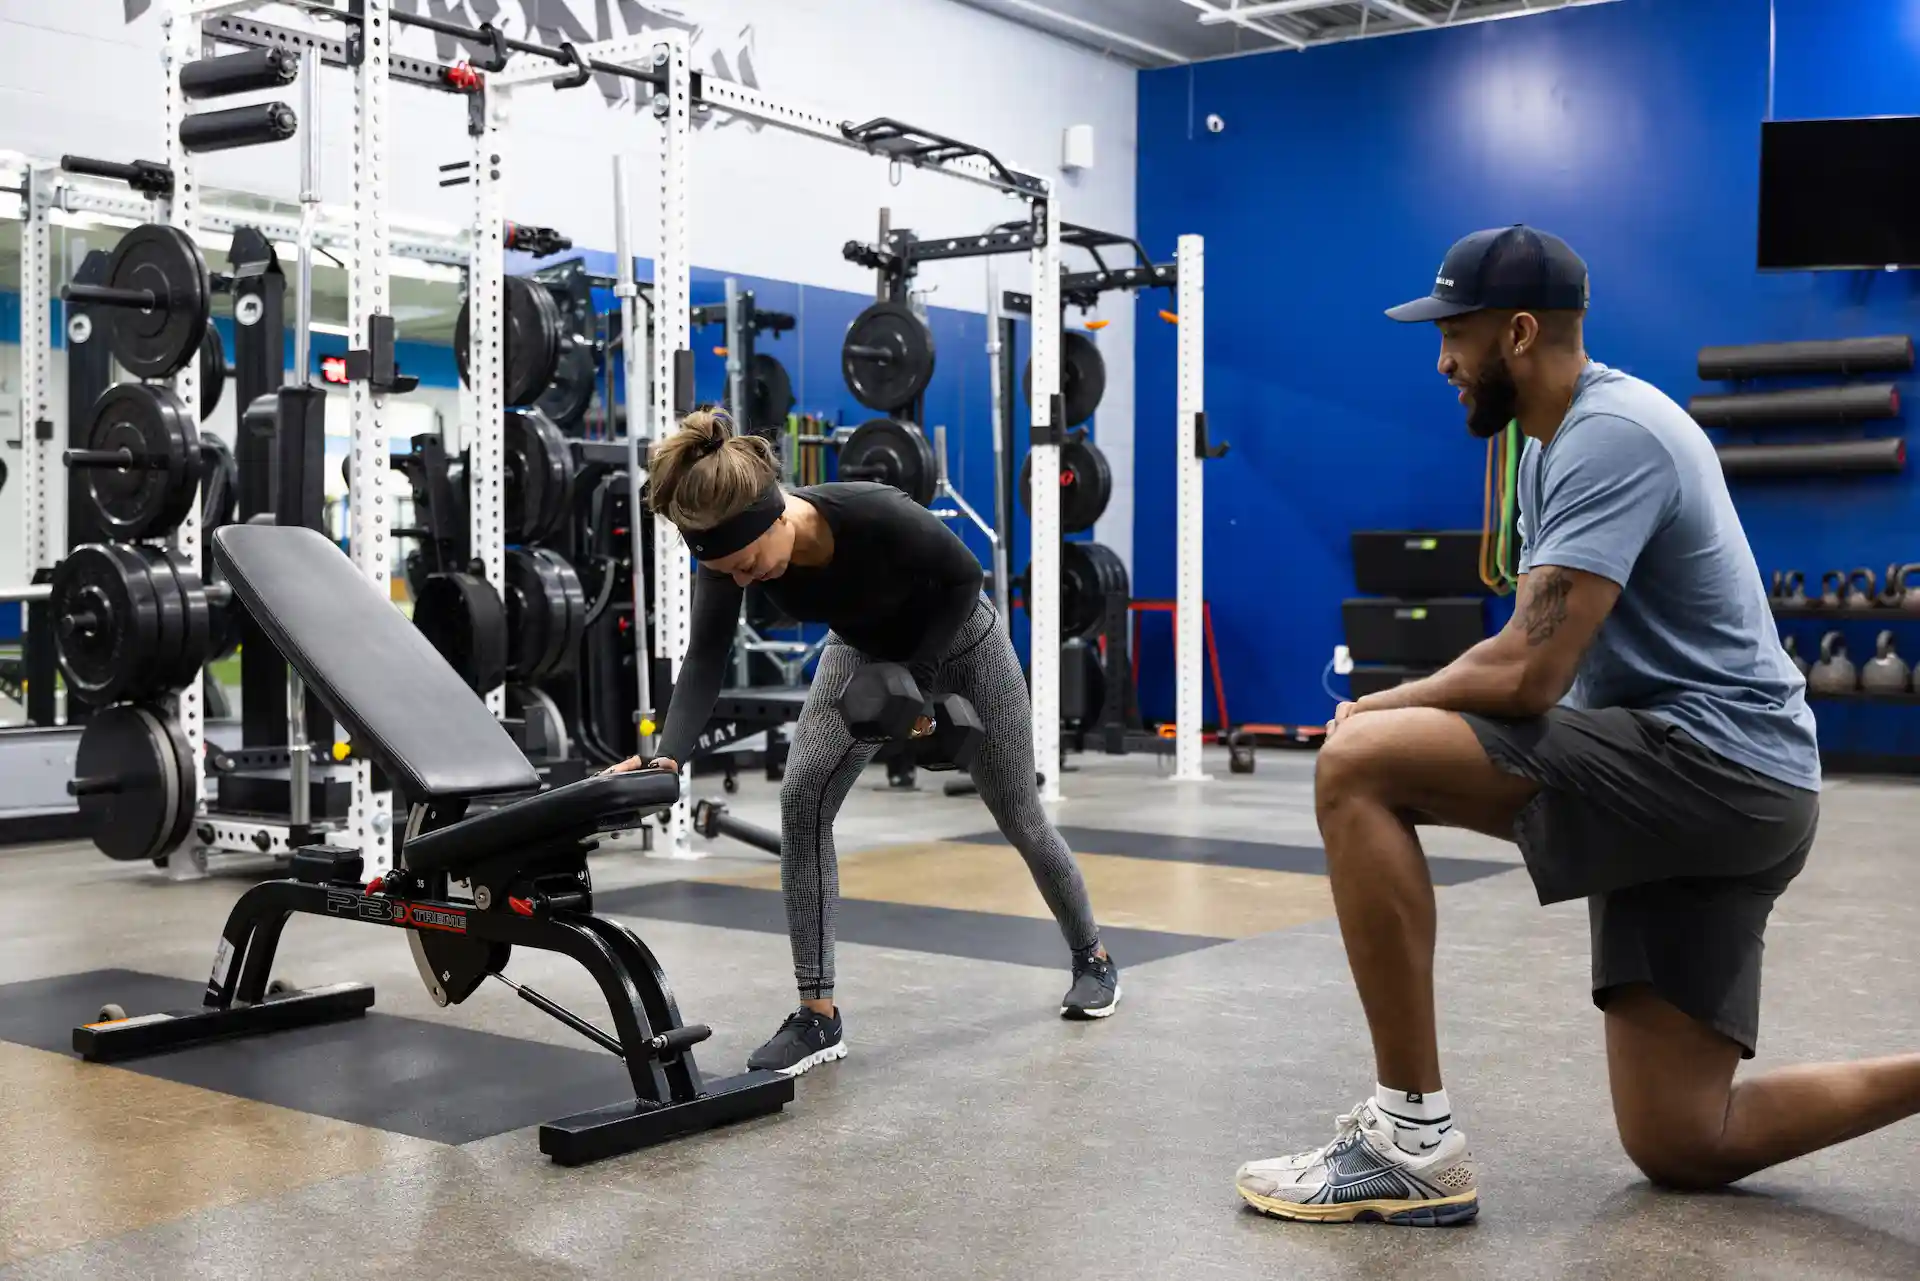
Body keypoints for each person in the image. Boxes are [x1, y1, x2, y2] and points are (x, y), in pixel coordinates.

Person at [1237, 225, 1920, 1227]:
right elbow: (1529, 653)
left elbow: (1527, 673)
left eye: (1455, 337)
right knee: (1686, 1141)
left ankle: (1410, 1142)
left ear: (1517, 332)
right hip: (1731, 780)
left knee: (1360, 766)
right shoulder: (1553, 444)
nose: (1442, 363)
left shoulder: (1613, 435)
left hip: (1712, 767)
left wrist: (1376, 708)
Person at [606, 409, 1120, 1076]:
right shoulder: (728, 554)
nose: (742, 579)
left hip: (962, 642)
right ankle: (817, 1015)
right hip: (860, 651)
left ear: (777, 517)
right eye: (727, 572)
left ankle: (1093, 958)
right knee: (802, 801)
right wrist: (669, 753)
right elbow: (704, 657)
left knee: (1020, 816)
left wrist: (917, 680)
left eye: (748, 563)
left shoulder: (873, 511)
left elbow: (964, 579)